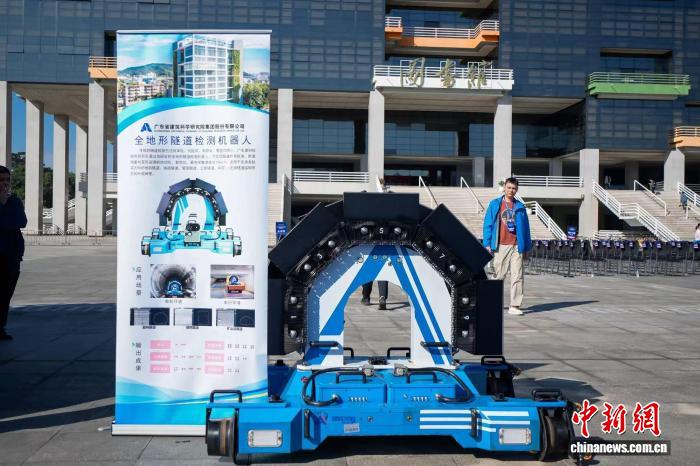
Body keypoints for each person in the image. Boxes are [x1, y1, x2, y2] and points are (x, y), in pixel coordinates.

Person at [482, 177, 531, 316]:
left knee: (517, 276)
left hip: (517, 245)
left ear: (517, 189)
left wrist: (526, 247)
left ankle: (514, 306)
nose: (511, 190)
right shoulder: (495, 204)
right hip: (501, 245)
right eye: (509, 187)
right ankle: (492, 302)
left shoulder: (520, 207)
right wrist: (487, 243)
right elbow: (488, 224)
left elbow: (526, 228)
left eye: (514, 188)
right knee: (499, 275)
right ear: (504, 187)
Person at [0, 165, 27, 340]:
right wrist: (2, 205)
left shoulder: (15, 200)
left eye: (7, 180)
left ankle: (0, 327)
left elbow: (21, 221)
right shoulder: (7, 203)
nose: (5, 183)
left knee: (5, 294)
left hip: (11, 256)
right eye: (1, 180)